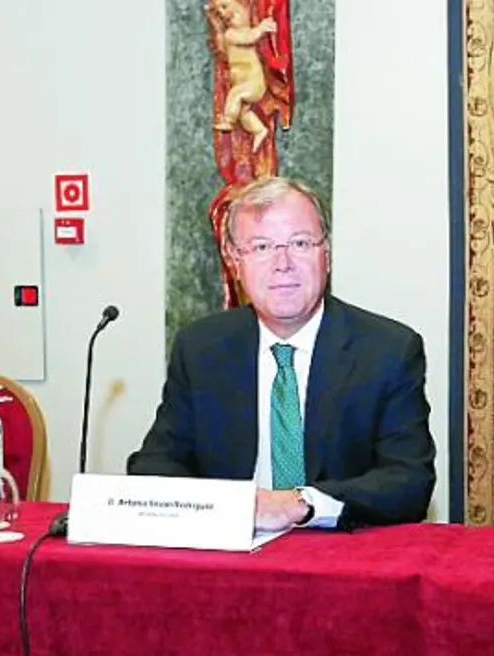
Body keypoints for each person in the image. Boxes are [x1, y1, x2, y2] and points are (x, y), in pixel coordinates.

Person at [128, 175, 436, 532]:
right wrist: (220, 510)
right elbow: (156, 464)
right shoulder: (201, 349)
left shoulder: (388, 350)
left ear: (327, 255)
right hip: (229, 561)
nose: (282, 263)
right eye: (261, 247)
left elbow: (409, 482)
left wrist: (299, 504)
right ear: (234, 263)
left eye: (300, 243)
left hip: (341, 559)